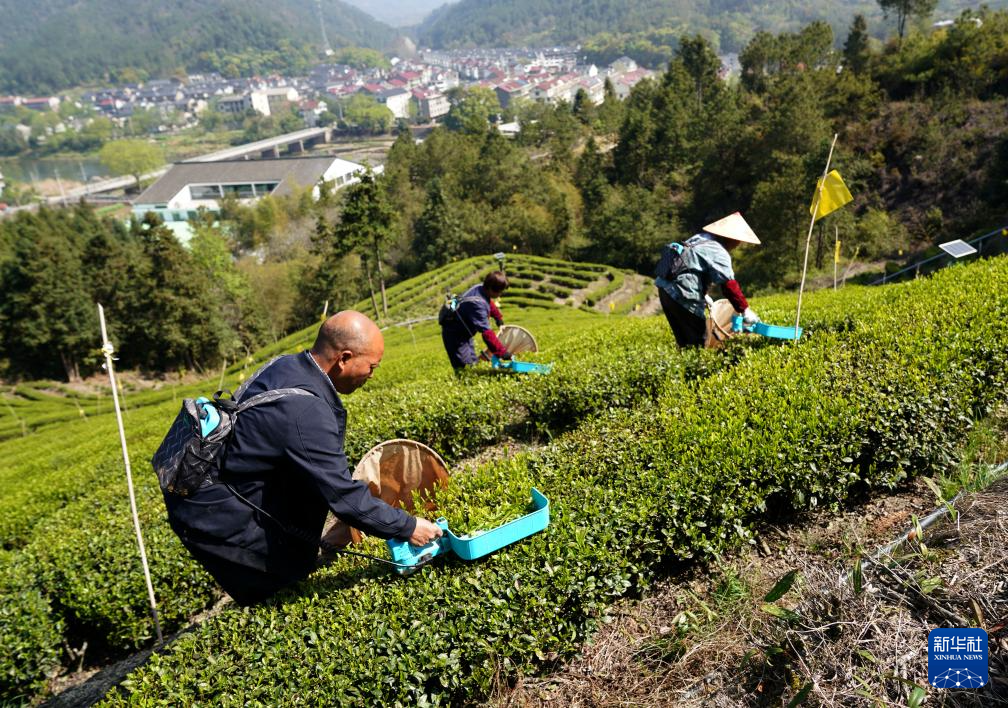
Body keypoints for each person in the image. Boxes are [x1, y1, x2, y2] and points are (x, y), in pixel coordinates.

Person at [164, 311, 444, 605]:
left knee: (296, 561)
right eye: (371, 366)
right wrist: (409, 526)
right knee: (279, 591)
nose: (372, 375)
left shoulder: (288, 364)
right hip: (220, 518)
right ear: (344, 358)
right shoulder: (304, 412)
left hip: (229, 491)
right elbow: (346, 500)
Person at [654, 211, 761, 348]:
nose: (738, 244)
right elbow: (729, 285)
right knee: (697, 341)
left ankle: (685, 365)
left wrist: (704, 294)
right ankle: (695, 368)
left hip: (665, 289)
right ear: (730, 238)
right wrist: (745, 310)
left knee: (684, 341)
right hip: (682, 294)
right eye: (738, 240)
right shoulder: (718, 251)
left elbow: (691, 264)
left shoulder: (700, 238)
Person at [440, 271, 511, 370]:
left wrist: (498, 318)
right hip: (455, 336)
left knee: (473, 362)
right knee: (464, 367)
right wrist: (502, 352)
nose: (500, 294)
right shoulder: (476, 304)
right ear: (491, 289)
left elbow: (488, 302)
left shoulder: (480, 288)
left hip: (465, 333)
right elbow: (487, 333)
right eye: (499, 291)